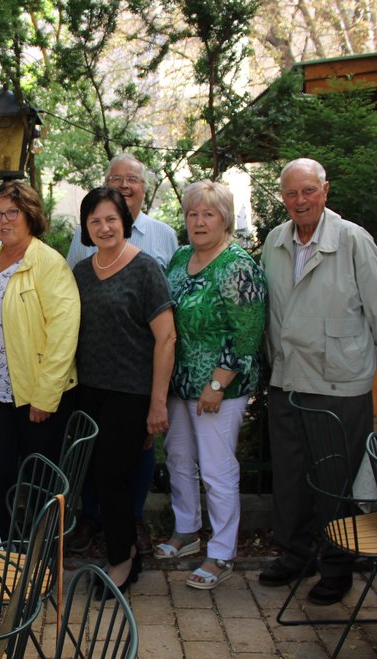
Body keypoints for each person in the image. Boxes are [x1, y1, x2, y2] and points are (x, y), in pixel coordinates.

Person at [258, 158, 377, 605]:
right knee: (290, 478)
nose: (300, 200)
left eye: (308, 190)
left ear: (325, 191)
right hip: (288, 380)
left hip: (339, 386)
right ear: (283, 198)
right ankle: (296, 555)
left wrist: (356, 361)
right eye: (291, 193)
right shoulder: (275, 242)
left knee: (335, 482)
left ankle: (338, 567)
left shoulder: (353, 240)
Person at [66, 153, 180, 557]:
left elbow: (166, 338)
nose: (104, 227)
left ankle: (122, 558)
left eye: (111, 219)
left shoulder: (146, 269)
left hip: (131, 392)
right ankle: (121, 550)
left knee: (113, 474)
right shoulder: (81, 273)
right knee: (98, 473)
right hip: (89, 390)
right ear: (86, 228)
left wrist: (158, 402)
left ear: (124, 222)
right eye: (95, 221)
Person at [160, 180, 266, 590]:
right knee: (179, 458)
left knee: (217, 470)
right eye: (193, 213)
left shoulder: (237, 265)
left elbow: (248, 334)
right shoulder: (181, 256)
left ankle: (222, 552)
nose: (199, 222)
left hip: (220, 388)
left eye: (209, 214)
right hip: (180, 383)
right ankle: (186, 530)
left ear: (225, 220)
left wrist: (218, 384)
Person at [0, 180, 80, 533]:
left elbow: (63, 334)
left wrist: (45, 396)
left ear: (30, 214)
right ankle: (0, 550)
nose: (3, 220)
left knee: (40, 486)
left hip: (35, 396)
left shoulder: (49, 263)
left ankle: (42, 554)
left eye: (12, 212)